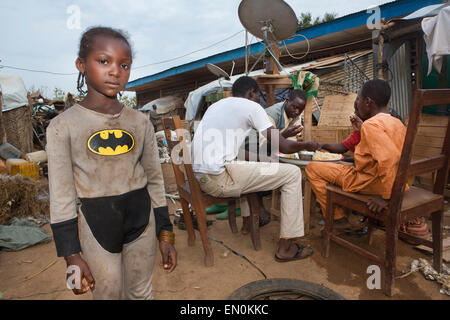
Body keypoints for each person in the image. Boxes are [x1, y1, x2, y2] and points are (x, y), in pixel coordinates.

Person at [46, 26, 177, 300]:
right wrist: (71, 255)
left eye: (124, 64)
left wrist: (165, 233)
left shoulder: (140, 122)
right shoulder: (63, 126)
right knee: (107, 294)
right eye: (104, 61)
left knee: (141, 292)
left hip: (142, 220)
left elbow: (154, 179)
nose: (115, 71)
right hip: (97, 223)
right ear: (81, 65)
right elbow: (61, 196)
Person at [191, 76, 318, 262]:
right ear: (252, 92)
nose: (260, 100)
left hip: (202, 176)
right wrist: (308, 144)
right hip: (218, 180)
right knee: (292, 174)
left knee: (255, 165)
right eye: (259, 95)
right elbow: (283, 145)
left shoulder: (216, 106)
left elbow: (235, 152)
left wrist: (264, 159)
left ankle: (248, 225)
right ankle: (286, 247)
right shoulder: (252, 107)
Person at [306, 79, 407, 230]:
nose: (357, 103)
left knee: (313, 168)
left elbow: (389, 159)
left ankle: (337, 218)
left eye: (358, 99)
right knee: (337, 168)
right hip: (400, 183)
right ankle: (338, 214)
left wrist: (386, 197)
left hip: (371, 183)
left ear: (368, 102)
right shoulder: (397, 123)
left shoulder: (371, 125)